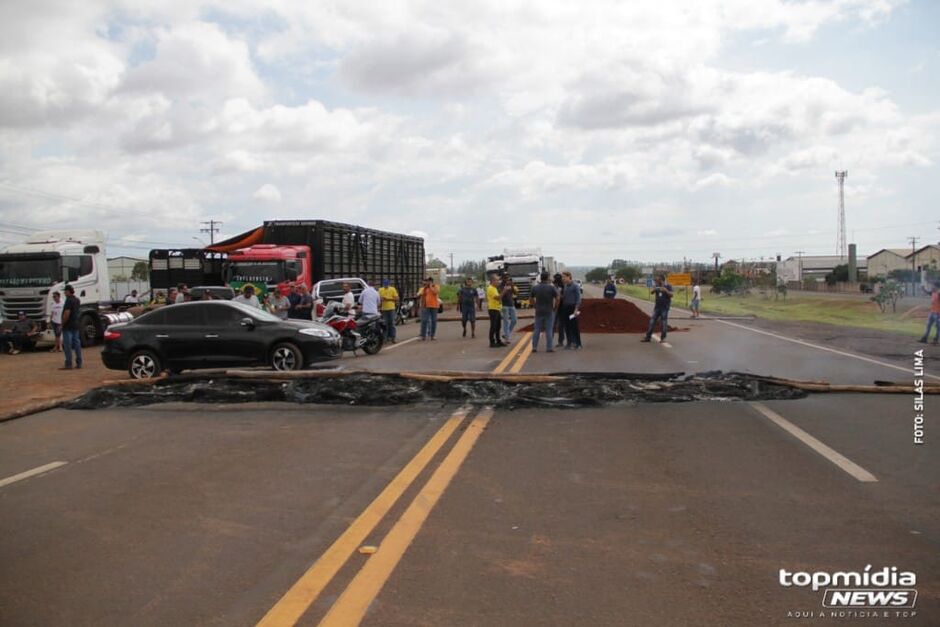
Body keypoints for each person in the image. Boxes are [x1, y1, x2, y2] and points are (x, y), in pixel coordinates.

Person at [531, 272, 559, 352]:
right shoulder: (551, 288)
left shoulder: (535, 288)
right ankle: (549, 348)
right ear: (547, 278)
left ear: (540, 278)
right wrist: (555, 307)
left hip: (539, 311)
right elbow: (558, 298)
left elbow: (531, 299)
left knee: (537, 330)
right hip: (549, 311)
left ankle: (534, 347)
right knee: (549, 330)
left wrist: (534, 306)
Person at [642, 274, 674, 343]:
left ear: (662, 280)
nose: (657, 281)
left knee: (664, 323)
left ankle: (663, 338)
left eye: (658, 280)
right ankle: (648, 337)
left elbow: (671, 295)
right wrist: (654, 289)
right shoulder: (657, 286)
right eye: (657, 280)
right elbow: (652, 292)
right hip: (657, 307)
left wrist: (666, 290)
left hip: (664, 308)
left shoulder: (668, 286)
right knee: (652, 322)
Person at [60, 285, 82, 369]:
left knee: (68, 345)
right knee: (77, 344)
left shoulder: (68, 300)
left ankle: (68, 363)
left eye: (65, 291)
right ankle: (79, 362)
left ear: (69, 291)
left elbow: (66, 313)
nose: (64, 293)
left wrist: (62, 323)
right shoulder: (77, 300)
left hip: (68, 325)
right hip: (75, 324)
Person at [560, 271, 582, 349]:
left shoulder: (575, 286)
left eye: (564, 277)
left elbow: (578, 299)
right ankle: (569, 343)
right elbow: (564, 297)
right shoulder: (565, 286)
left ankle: (578, 344)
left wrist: (576, 310)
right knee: (567, 326)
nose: (562, 278)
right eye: (562, 277)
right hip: (565, 308)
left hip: (572, 308)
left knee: (574, 326)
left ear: (569, 276)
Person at [379, 279, 400, 343]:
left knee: (392, 323)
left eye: (386, 284)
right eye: (384, 284)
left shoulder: (392, 289)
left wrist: (388, 299)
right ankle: (385, 338)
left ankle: (393, 338)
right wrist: (381, 299)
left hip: (391, 308)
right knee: (385, 324)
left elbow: (397, 298)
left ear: (388, 284)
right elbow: (378, 298)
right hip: (384, 309)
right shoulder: (380, 290)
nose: (385, 285)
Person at [919, 281, 940, 345]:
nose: (931, 287)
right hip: (932, 312)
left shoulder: (939, 294)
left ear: (936, 287)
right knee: (928, 326)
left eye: (933, 286)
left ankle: (935, 340)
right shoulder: (933, 292)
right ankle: (925, 338)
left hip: (938, 313)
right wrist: (923, 289)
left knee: (938, 327)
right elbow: (928, 293)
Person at [486, 275, 505, 347]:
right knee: (493, 326)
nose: (498, 282)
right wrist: (504, 291)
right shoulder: (491, 288)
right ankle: (492, 342)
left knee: (498, 326)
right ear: (493, 281)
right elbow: (498, 297)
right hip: (493, 309)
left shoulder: (494, 288)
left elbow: (498, 298)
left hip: (497, 309)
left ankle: (498, 340)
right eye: (497, 280)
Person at [500, 275, 518, 343]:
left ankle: (506, 334)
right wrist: (505, 289)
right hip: (504, 305)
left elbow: (515, 293)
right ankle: (507, 338)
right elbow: (500, 295)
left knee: (514, 320)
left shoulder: (510, 285)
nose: (507, 279)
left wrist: (512, 286)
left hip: (511, 305)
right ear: (503, 278)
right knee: (506, 322)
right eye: (505, 278)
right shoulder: (500, 286)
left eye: (508, 278)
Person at [553, 272, 566, 347]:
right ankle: (559, 341)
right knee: (558, 325)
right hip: (557, 308)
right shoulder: (556, 286)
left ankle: (560, 341)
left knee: (559, 325)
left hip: (560, 308)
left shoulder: (563, 287)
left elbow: (564, 297)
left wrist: (559, 295)